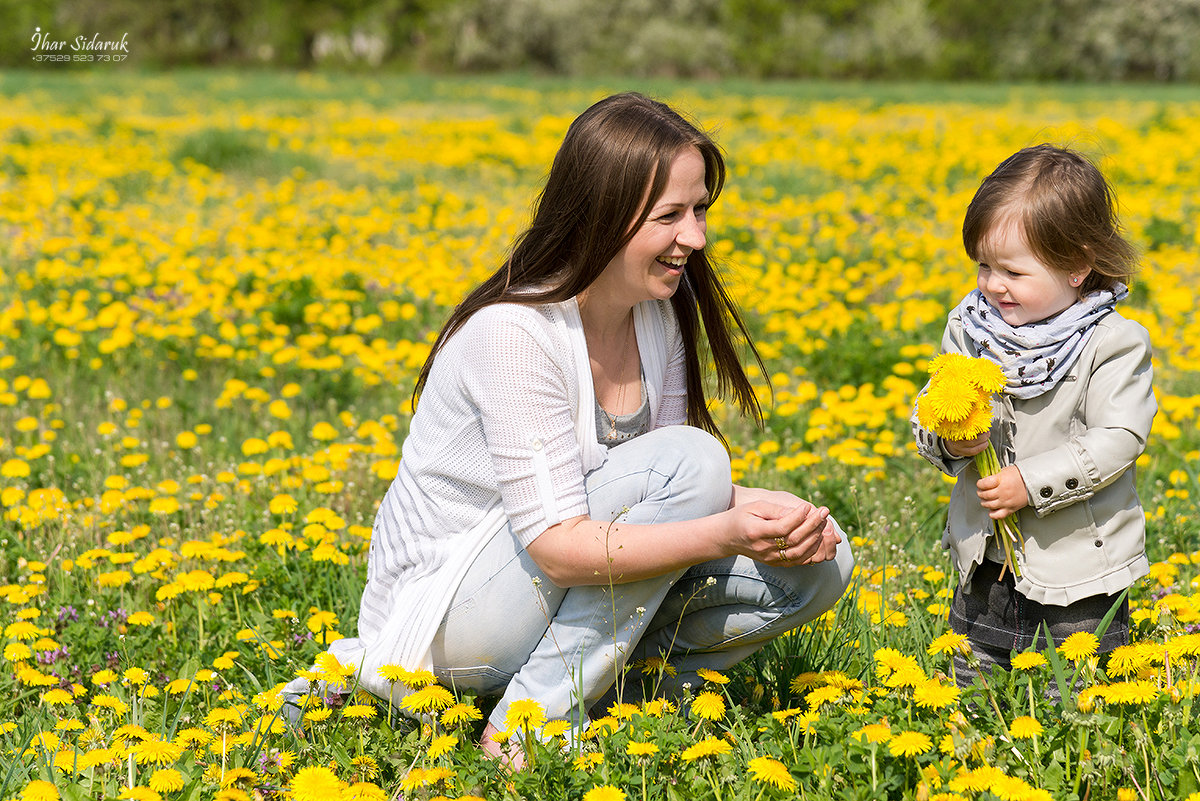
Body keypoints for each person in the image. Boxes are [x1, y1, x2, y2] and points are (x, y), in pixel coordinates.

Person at [288, 92, 855, 756]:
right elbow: (563, 543)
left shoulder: (657, 317)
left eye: (700, 210)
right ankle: (527, 725)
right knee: (699, 462)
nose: (696, 237)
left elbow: (662, 498)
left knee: (824, 559)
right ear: (603, 217)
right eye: (671, 215)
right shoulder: (515, 333)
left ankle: (631, 705)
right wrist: (723, 526)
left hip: (545, 593)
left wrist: (768, 515)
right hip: (450, 618)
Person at [912, 144, 1156, 686]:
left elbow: (1119, 437)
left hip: (1078, 570)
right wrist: (950, 440)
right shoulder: (971, 326)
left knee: (1079, 693)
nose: (993, 284)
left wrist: (1031, 480)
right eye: (983, 265)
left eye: (1013, 272)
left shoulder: (1112, 342)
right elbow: (932, 402)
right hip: (986, 563)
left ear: (1076, 266)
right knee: (973, 688)